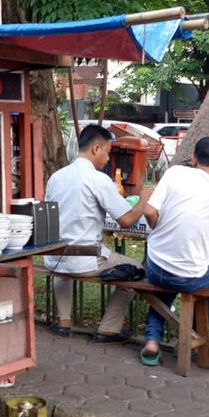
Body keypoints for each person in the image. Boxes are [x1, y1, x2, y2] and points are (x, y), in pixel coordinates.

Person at [43, 125, 152, 342]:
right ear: (95, 149)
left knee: (66, 256)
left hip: (53, 257)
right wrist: (143, 200)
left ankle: (63, 322)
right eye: (107, 152)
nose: (108, 157)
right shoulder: (99, 180)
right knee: (137, 270)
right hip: (85, 261)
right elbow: (127, 221)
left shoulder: (56, 177)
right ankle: (108, 329)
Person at [140, 137, 209, 365]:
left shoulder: (175, 173)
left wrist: (157, 226)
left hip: (155, 266)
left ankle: (152, 342)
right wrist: (201, 242)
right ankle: (190, 334)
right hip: (191, 274)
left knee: (163, 291)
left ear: (194, 159)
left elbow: (149, 210)